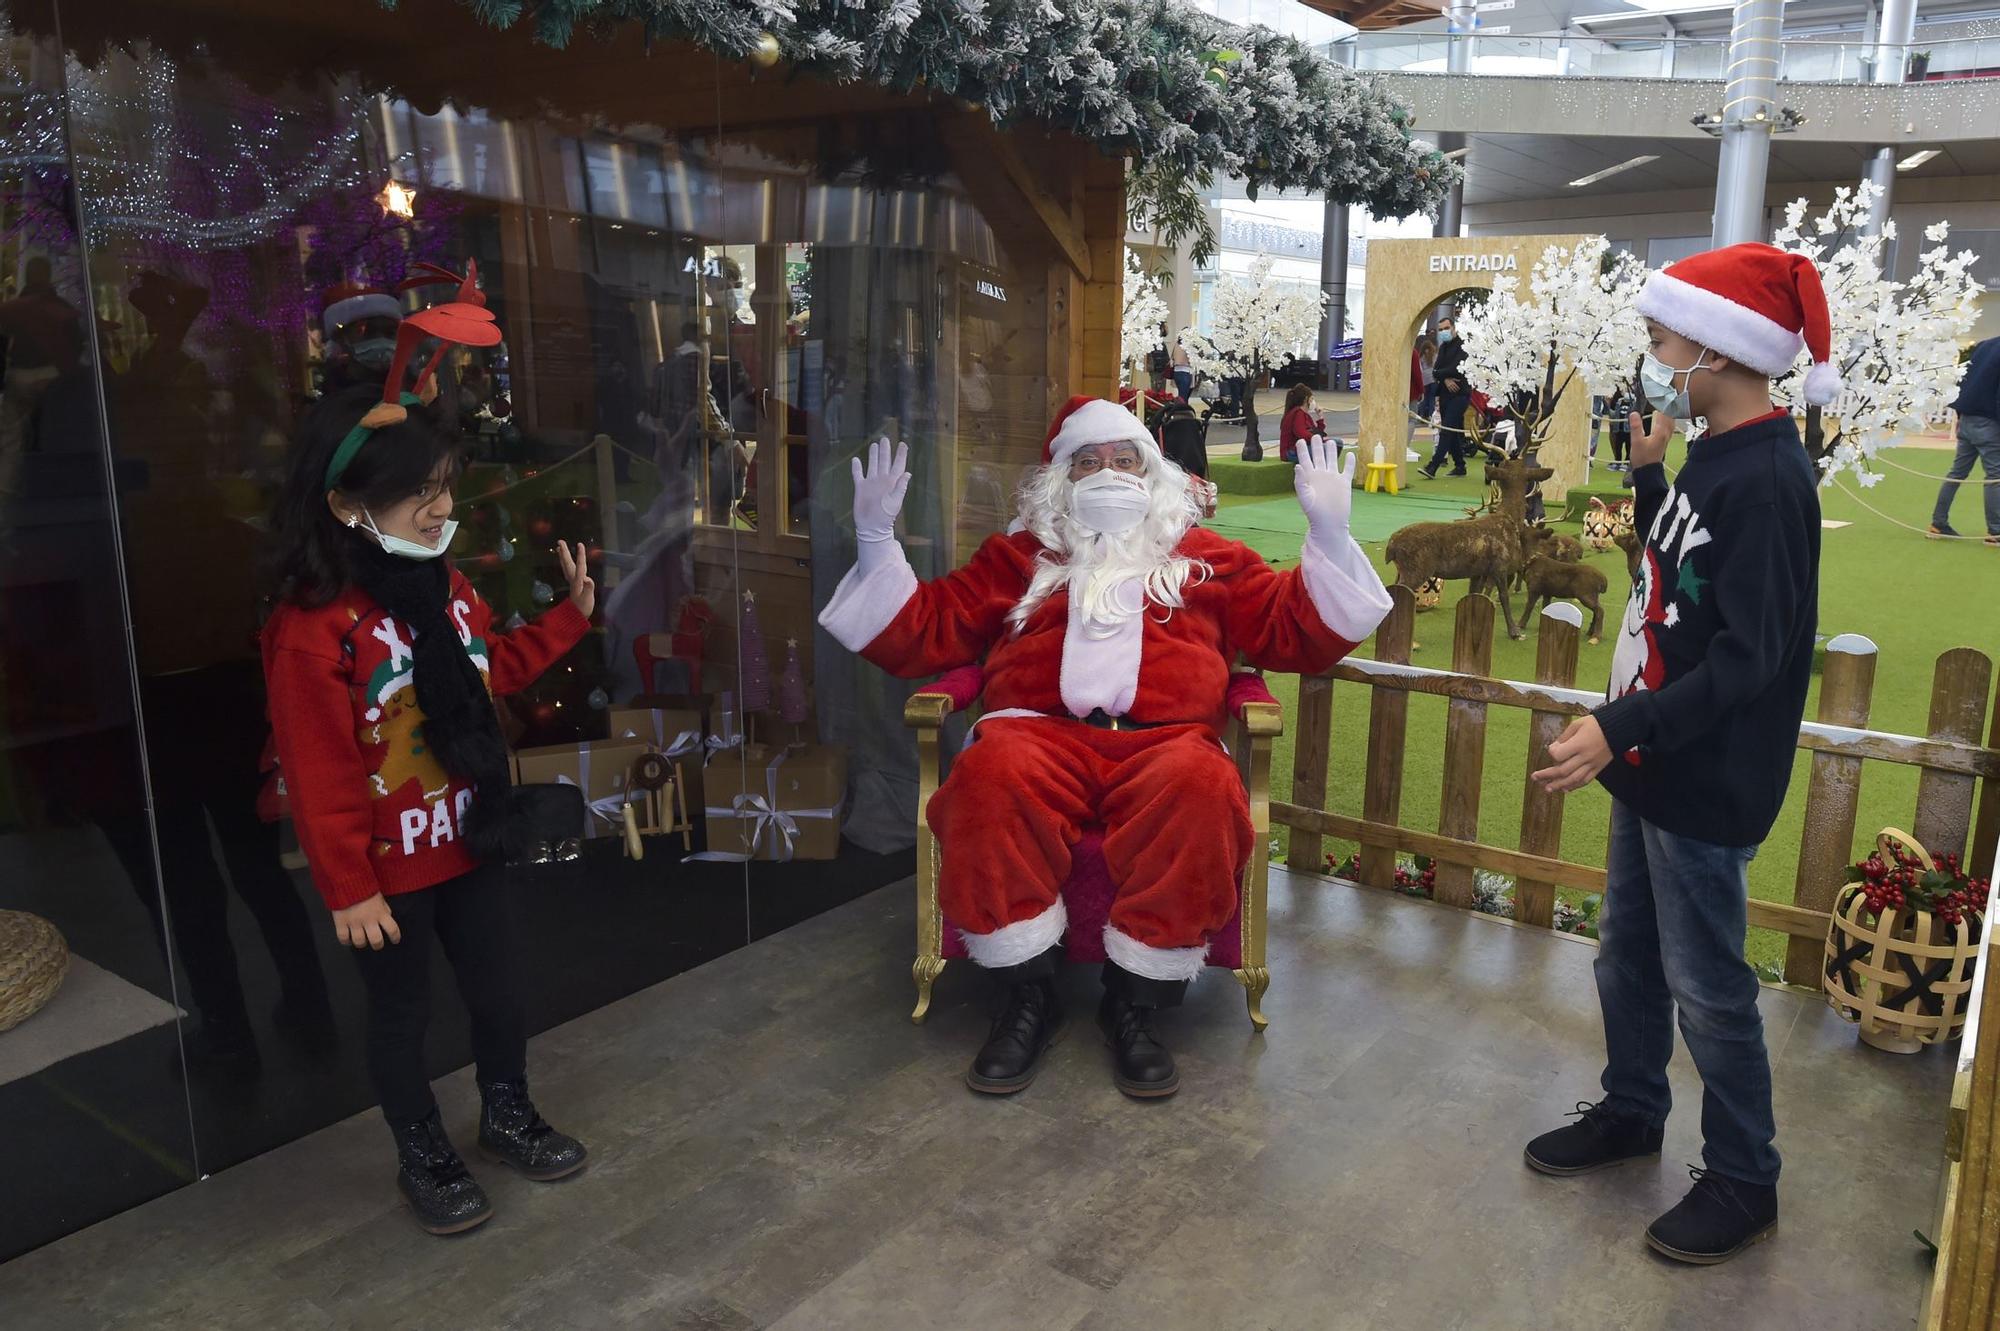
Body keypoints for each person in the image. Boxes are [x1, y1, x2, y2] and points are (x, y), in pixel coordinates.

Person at [817, 398, 1391, 1099]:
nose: (1109, 474)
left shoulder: (1208, 559)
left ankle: (1135, 1002)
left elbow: (1288, 627)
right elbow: (930, 629)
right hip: (1036, 730)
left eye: (1125, 460)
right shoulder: (1019, 558)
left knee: (1202, 789)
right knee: (989, 776)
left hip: (1166, 740)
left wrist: (1330, 536)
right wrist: (877, 540)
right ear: (1061, 478)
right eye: (1089, 462)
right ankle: (1027, 995)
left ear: (1154, 474)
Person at [1525, 241, 1836, 1265]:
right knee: (1627, 951)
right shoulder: (1713, 456)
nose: (1652, 357)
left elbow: (1747, 657)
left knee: (1706, 984)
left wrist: (1618, 724)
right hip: (1655, 758)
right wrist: (1652, 474)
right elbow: (1682, 571)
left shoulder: (1772, 479)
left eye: (1661, 339)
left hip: (1702, 773)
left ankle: (1744, 1175)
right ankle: (1630, 1109)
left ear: (1711, 346)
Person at [262, 307, 595, 1235]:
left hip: (471, 838)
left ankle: (507, 1111)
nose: (443, 509)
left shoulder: (444, 585)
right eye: (420, 494)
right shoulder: (312, 627)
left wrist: (568, 618)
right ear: (346, 505)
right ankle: (421, 1147)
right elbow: (317, 765)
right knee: (402, 1017)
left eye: (445, 487)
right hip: (387, 873)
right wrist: (348, 888)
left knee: (499, 991)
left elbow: (489, 671)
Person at [1928, 334, 2000, 546]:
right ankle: (1995, 531)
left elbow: (1964, 378)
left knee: (1957, 473)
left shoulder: (1984, 344)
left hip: (1967, 416)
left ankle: (1938, 523)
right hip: (1988, 420)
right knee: (1995, 477)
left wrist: (1960, 414)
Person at [1421, 315, 1470, 479]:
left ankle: (1433, 466)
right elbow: (1435, 370)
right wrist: (1445, 377)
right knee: (1452, 430)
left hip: (1460, 395)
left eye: (1446, 328)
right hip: (1444, 394)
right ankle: (1460, 465)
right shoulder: (1442, 348)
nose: (1443, 332)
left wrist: (1443, 374)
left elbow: (1459, 369)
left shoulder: (1463, 346)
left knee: (1447, 429)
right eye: (1441, 329)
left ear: (1454, 328)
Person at [1278, 382, 1323, 464]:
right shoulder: (1297, 413)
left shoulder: (1306, 415)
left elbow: (1317, 432)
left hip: (1302, 448)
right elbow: (1301, 432)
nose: (1314, 402)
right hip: (1291, 452)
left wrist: (1320, 417)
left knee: (1335, 443)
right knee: (1325, 449)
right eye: (1312, 399)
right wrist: (1317, 439)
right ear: (1306, 399)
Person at [1170, 336, 1193, 402]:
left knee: (1181, 396)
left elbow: (1173, 357)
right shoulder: (1188, 346)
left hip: (1176, 371)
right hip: (1185, 371)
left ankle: (1182, 409)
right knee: (1184, 397)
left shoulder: (1176, 345)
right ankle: (1182, 411)